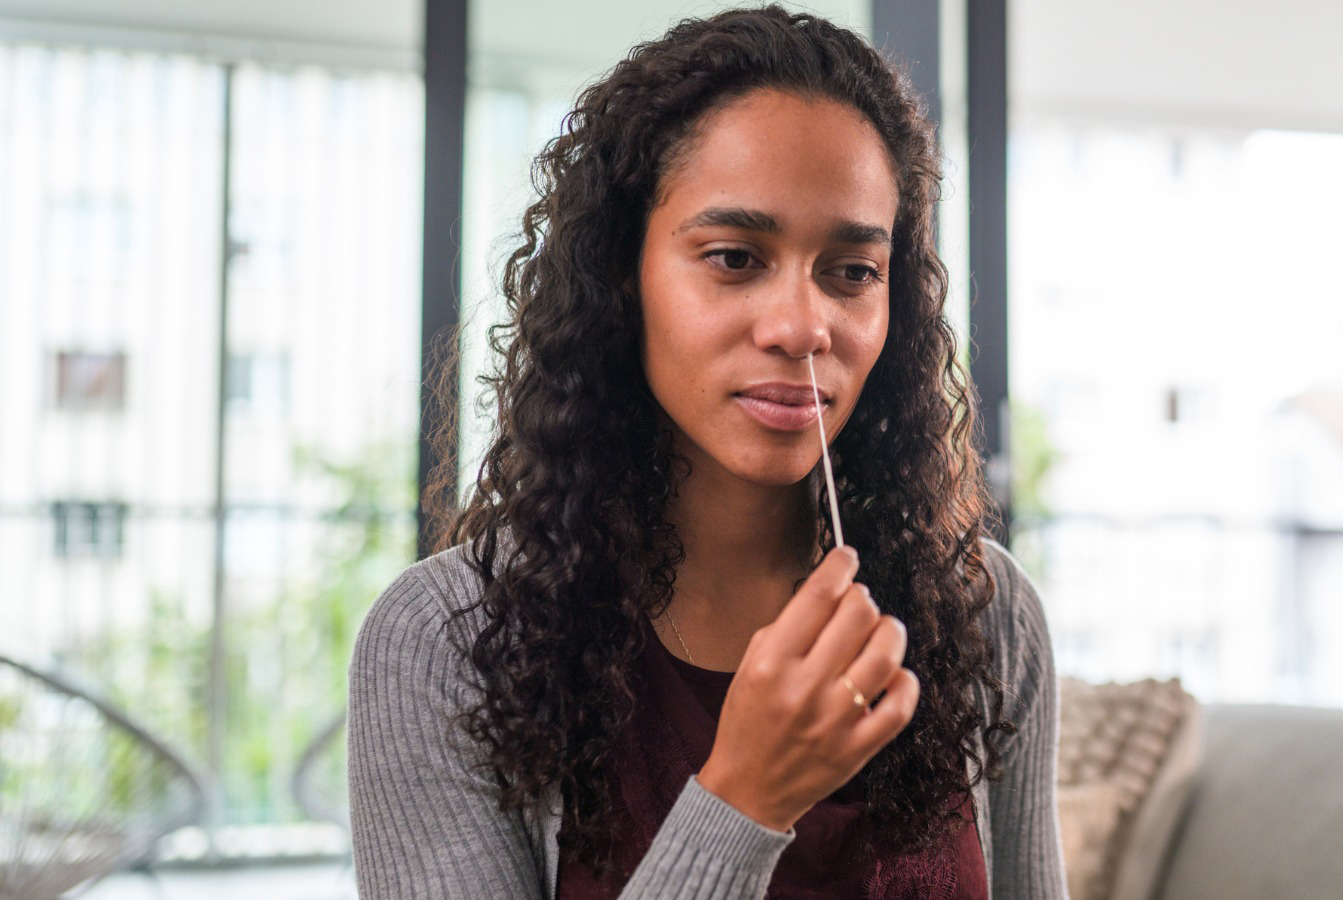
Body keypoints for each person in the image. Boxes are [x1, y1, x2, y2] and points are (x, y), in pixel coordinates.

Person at [346, 6, 1065, 898]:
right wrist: (744, 799)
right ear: (622, 277)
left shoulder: (982, 616)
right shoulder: (444, 641)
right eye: (733, 257)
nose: (802, 327)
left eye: (852, 271)